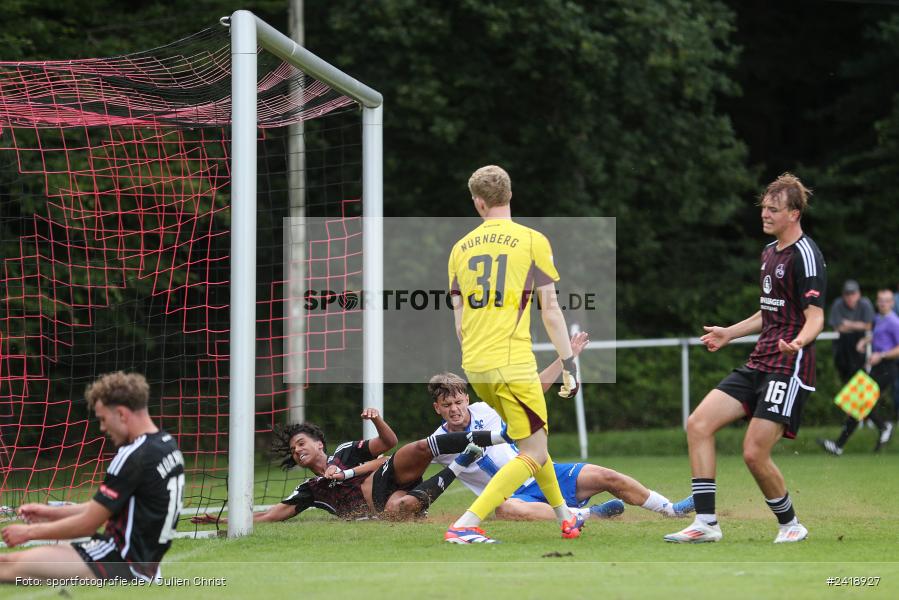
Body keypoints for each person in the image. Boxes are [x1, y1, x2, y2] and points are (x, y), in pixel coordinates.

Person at [665, 173, 826, 545]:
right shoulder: (770, 252)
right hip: (760, 360)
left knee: (754, 452)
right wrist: (729, 333)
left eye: (774, 209)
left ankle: (791, 524)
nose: (765, 215)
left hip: (788, 365)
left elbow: (815, 315)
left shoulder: (806, 255)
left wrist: (799, 341)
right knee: (699, 424)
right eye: (764, 208)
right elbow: (769, 311)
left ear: (795, 213)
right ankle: (705, 523)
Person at [444, 165, 582, 544]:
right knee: (534, 450)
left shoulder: (459, 249)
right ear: (509, 195)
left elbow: (459, 322)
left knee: (533, 442)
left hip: (476, 365)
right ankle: (465, 524)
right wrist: (569, 364)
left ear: (478, 202)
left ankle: (565, 517)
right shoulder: (531, 240)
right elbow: (550, 310)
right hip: (512, 363)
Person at [428, 336, 694, 523]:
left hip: (545, 474)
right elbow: (405, 466)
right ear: (436, 408)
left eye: (459, 402)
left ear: (466, 399)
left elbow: (532, 391)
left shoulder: (487, 409)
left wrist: (566, 358)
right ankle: (588, 515)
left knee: (606, 475)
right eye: (447, 404)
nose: (455, 409)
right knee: (505, 510)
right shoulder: (437, 443)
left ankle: (670, 509)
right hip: (515, 497)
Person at [0, 372, 185, 583]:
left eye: (104, 419)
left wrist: (29, 532)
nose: (103, 428)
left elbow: (88, 524)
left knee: (8, 565)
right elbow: (106, 507)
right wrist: (50, 512)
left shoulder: (134, 456)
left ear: (123, 414)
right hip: (142, 564)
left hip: (119, 563)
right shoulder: (167, 445)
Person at [191, 408, 500, 525]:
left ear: (318, 444)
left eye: (301, 443)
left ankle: (496, 435)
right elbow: (272, 515)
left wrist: (376, 418)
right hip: (384, 502)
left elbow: (387, 446)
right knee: (400, 509)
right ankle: (461, 462)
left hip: (389, 474)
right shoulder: (311, 489)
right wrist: (226, 521)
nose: (297, 450)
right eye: (293, 450)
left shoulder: (346, 451)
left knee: (418, 447)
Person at [818, 288, 899, 454]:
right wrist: (865, 340)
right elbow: (878, 336)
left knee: (860, 403)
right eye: (880, 300)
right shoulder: (879, 319)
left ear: (892, 303)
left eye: (886, 300)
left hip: (888, 368)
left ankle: (841, 445)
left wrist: (882, 355)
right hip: (878, 367)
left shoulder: (894, 322)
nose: (883, 303)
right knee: (860, 403)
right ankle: (882, 428)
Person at [828, 280, 874, 383]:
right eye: (847, 294)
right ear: (843, 295)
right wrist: (860, 325)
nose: (850, 297)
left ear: (859, 294)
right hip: (843, 346)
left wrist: (848, 324)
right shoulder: (838, 304)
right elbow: (837, 327)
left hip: (861, 344)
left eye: (853, 293)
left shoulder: (865, 303)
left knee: (863, 376)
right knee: (845, 377)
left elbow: (869, 326)